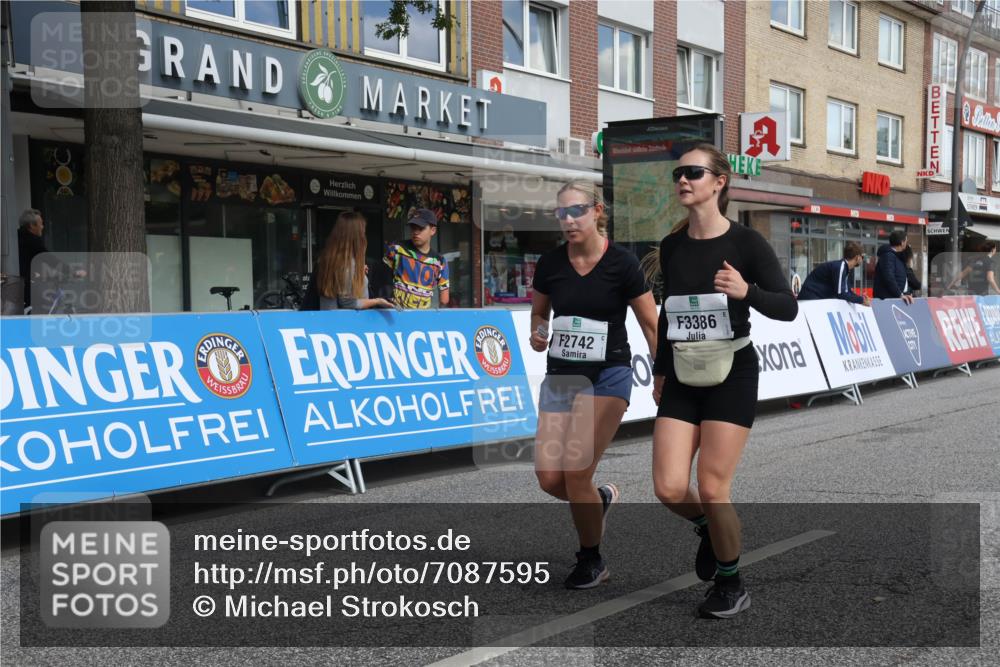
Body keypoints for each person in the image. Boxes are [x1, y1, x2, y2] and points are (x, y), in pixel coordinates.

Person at [651, 144, 798, 619]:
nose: (683, 179)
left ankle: (731, 583)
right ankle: (709, 532)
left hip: (732, 372)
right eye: (679, 173)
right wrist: (659, 370)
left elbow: (787, 307)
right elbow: (670, 317)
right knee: (670, 488)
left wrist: (746, 292)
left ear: (719, 182)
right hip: (682, 373)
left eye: (693, 172)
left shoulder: (746, 243)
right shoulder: (672, 246)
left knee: (713, 488)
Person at [529, 179, 658, 590]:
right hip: (562, 377)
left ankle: (591, 559)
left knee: (575, 471)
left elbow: (650, 324)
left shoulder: (622, 263)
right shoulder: (550, 264)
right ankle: (598, 501)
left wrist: (663, 375)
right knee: (551, 479)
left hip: (608, 376)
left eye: (576, 211)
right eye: (561, 213)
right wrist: (538, 332)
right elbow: (539, 315)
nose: (568, 221)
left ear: (597, 211)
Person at [301, 211, 394, 310]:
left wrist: (358, 272)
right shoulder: (347, 265)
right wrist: (378, 301)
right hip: (348, 323)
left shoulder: (327, 261)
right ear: (356, 237)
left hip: (328, 321)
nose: (364, 237)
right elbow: (348, 303)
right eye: (363, 232)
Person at [383, 208, 449, 309]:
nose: (416, 232)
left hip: (422, 320)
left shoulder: (440, 261)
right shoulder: (396, 249)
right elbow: (382, 280)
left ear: (433, 230)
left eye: (421, 228)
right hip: (395, 316)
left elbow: (444, 299)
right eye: (413, 228)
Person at [796, 241, 871, 306]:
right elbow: (841, 294)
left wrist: (861, 299)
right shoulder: (841, 267)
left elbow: (848, 291)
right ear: (857, 257)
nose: (862, 259)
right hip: (809, 299)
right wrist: (861, 300)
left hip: (814, 299)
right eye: (862, 257)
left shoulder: (843, 267)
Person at [17, 208, 48, 310]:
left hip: (16, 285)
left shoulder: (17, 237)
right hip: (25, 286)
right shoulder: (33, 241)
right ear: (31, 226)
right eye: (40, 224)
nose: (42, 227)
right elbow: (49, 259)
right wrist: (72, 271)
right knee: (40, 307)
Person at [873, 230, 913, 304]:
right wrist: (899, 294)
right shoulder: (888, 256)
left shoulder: (897, 256)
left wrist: (906, 293)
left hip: (895, 298)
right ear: (902, 242)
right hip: (887, 301)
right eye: (906, 241)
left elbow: (902, 278)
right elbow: (889, 277)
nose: (906, 244)